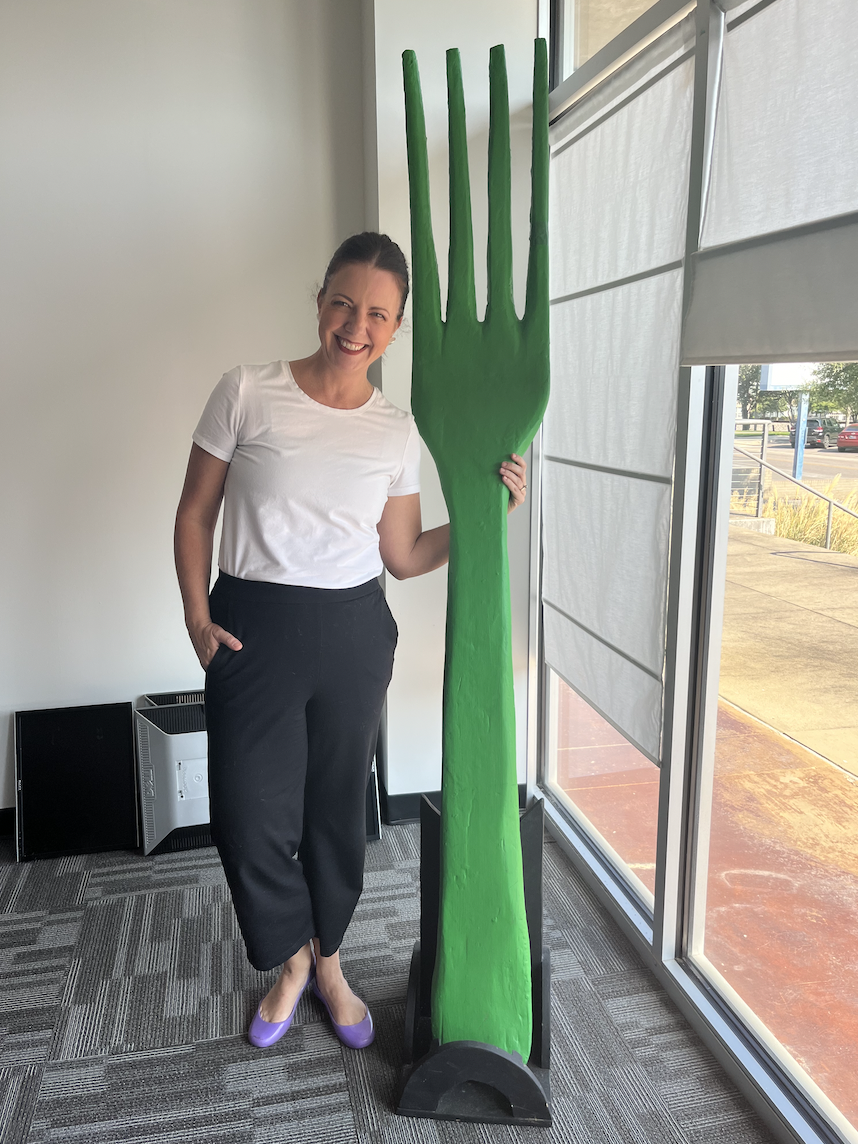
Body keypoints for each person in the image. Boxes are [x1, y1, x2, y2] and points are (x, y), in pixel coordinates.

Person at [174, 232, 527, 1051]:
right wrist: (197, 619)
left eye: (377, 313)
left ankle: (324, 963)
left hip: (352, 631)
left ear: (395, 327)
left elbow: (401, 558)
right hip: (251, 627)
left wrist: (486, 516)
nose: (355, 324)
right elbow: (195, 511)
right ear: (320, 299)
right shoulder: (247, 391)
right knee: (248, 815)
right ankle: (288, 957)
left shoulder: (396, 431)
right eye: (343, 301)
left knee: (336, 813)